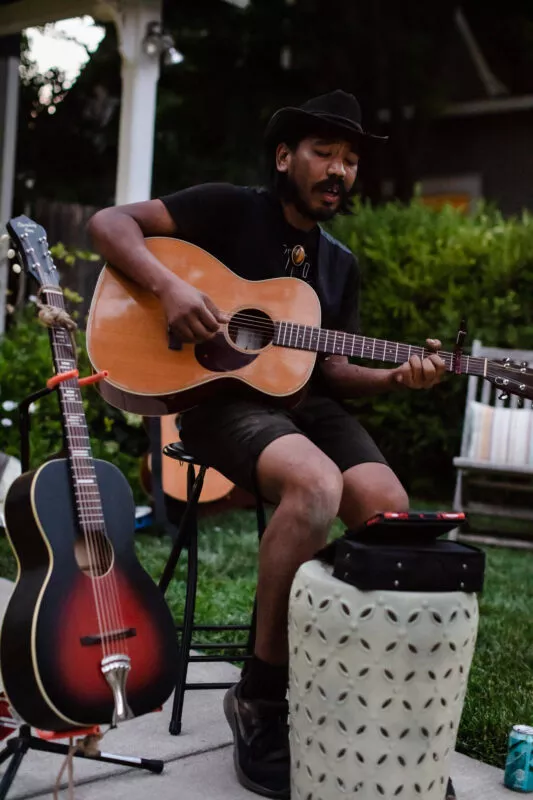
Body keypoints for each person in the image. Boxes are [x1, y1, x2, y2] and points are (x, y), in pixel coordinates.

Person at [87, 90, 453, 799]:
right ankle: (260, 695)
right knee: (314, 486)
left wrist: (399, 379)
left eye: (350, 160)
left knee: (389, 510)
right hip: (218, 401)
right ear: (286, 157)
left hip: (305, 404)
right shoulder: (228, 208)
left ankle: (346, 684)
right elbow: (109, 224)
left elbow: (333, 369)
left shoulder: (338, 262)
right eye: (325, 153)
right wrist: (169, 289)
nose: (339, 170)